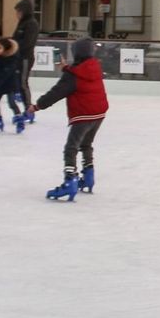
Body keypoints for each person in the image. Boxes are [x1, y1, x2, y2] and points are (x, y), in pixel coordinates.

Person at [30, 39, 108, 201]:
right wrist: (65, 68)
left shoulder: (73, 76)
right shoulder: (93, 66)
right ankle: (88, 176)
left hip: (83, 114)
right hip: (99, 113)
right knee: (86, 144)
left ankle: (69, 181)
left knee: (71, 148)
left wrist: (37, 106)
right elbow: (78, 73)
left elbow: (56, 93)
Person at [11, 0, 40, 122]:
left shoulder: (31, 23)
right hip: (18, 57)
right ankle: (24, 109)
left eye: (18, 11)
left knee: (23, 83)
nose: (17, 14)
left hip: (25, 58)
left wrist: (14, 47)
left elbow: (27, 42)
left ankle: (29, 110)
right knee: (17, 82)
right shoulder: (22, 23)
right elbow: (15, 38)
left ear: (24, 11)